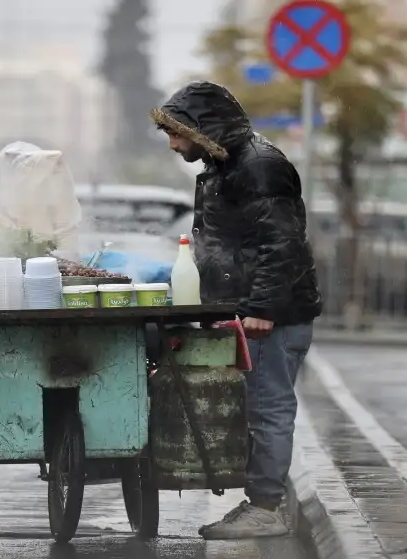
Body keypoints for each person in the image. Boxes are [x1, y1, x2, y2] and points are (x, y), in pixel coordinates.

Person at [150, 81, 322, 540]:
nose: (172, 144)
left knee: (268, 408)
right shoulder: (228, 164)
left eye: (177, 133)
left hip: (269, 316)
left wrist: (263, 307)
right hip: (248, 309)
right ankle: (260, 501)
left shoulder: (259, 166)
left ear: (204, 129)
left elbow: (281, 243)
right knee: (255, 408)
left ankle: (265, 507)